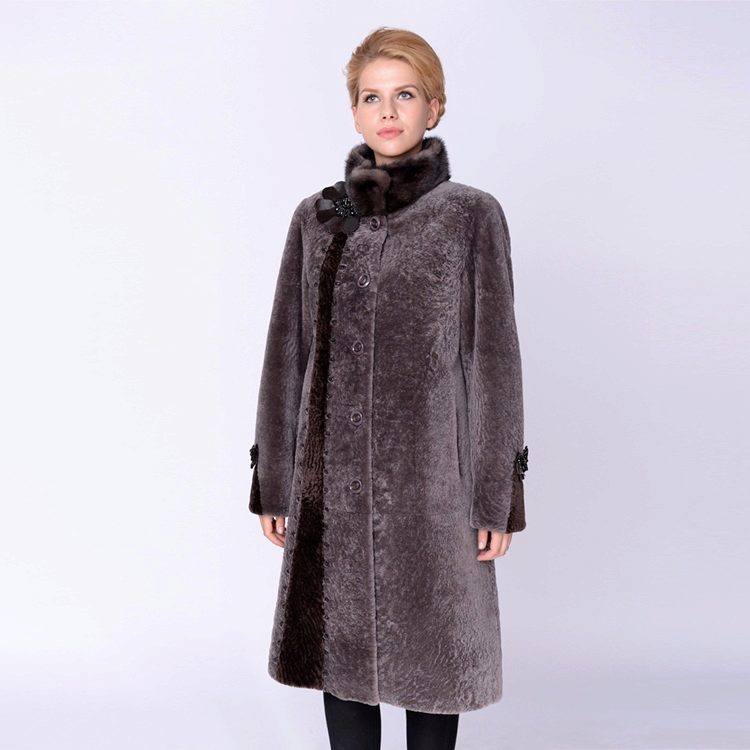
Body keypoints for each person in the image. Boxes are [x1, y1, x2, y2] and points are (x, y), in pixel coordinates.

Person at [248, 26, 529, 750]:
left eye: (405, 94)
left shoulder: (470, 215)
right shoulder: (319, 218)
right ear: (354, 112)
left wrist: (495, 494)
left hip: (433, 489)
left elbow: (493, 360)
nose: (388, 111)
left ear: (435, 107)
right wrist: (275, 481)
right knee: (340, 659)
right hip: (333, 490)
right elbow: (287, 352)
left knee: (436, 658)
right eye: (372, 98)